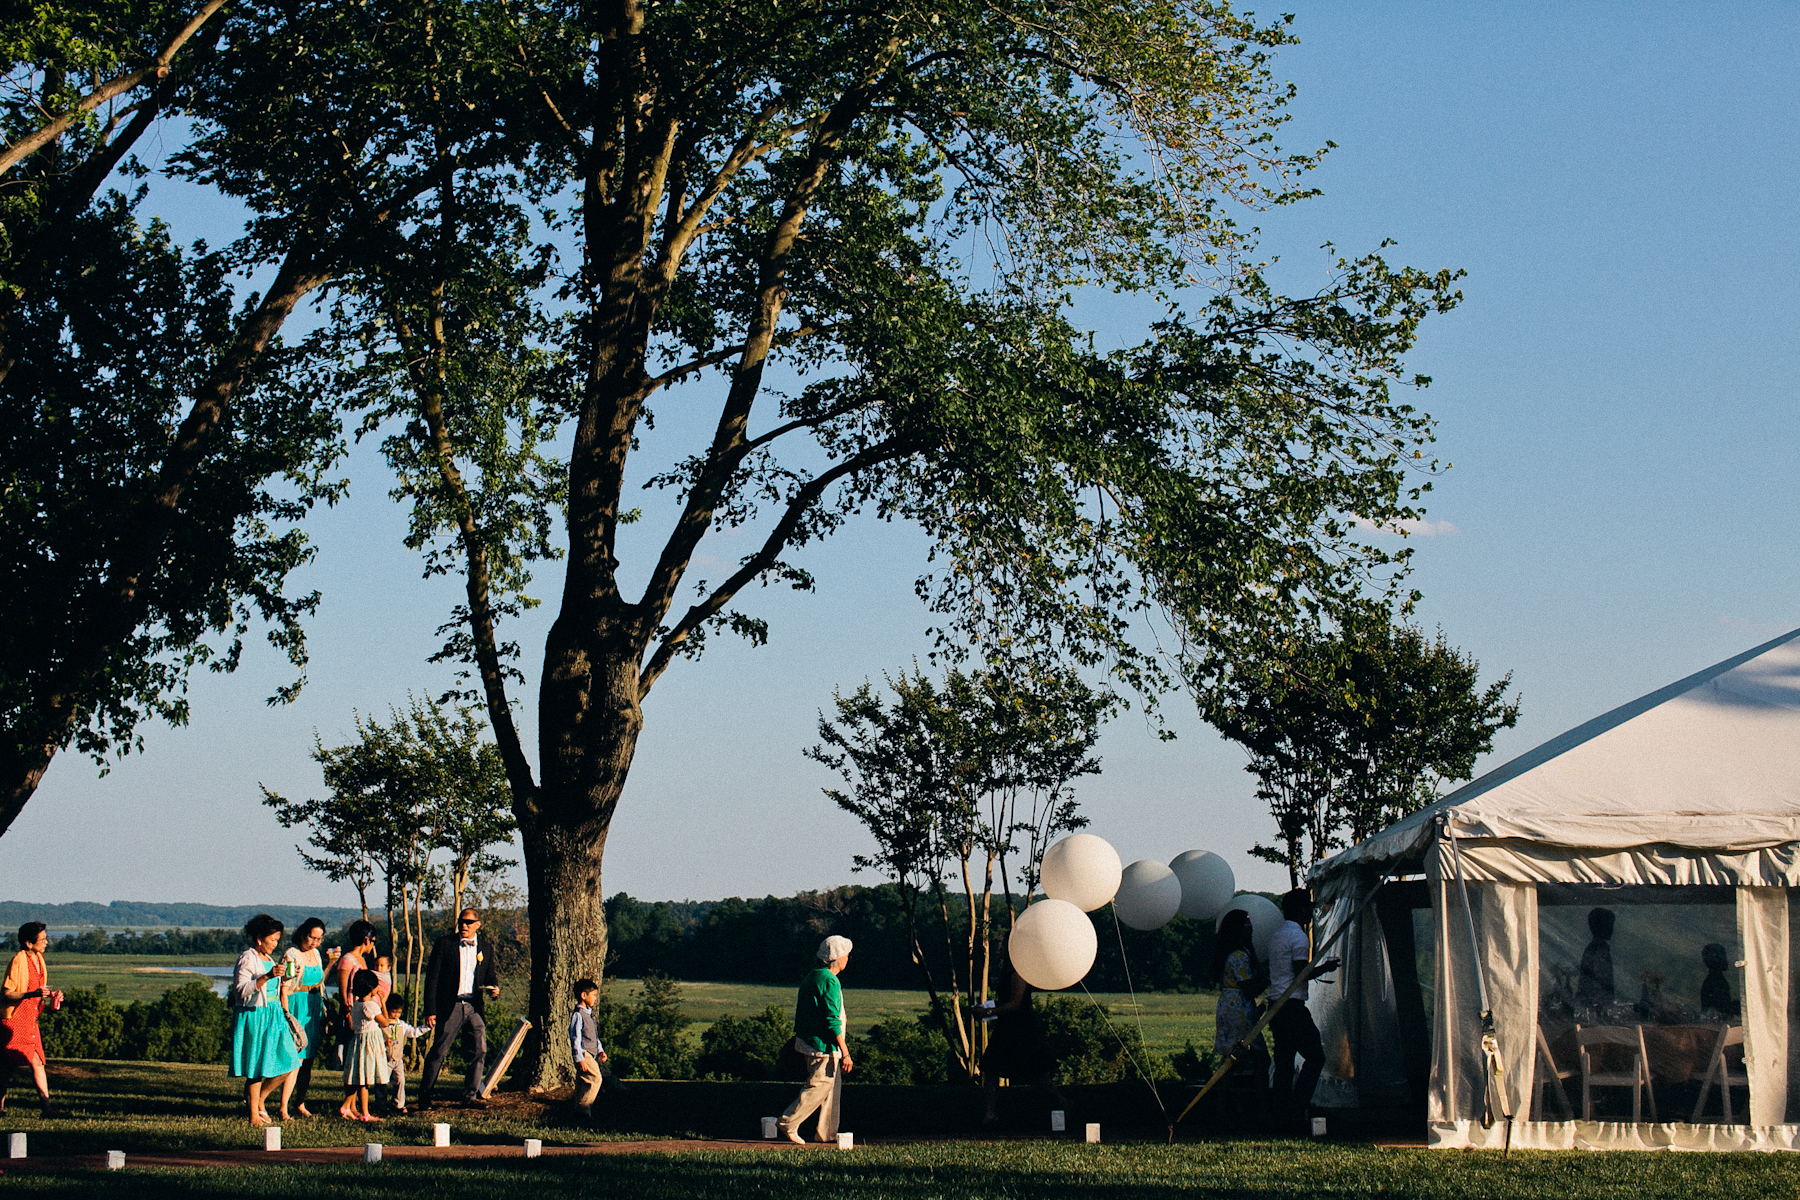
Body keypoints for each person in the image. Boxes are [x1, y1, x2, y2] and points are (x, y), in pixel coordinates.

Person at [1266, 889, 1338, 1128]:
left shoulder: (1277, 935)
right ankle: (1296, 1108)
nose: (1310, 912)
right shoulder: (1298, 938)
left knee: (1284, 1062)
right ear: (1299, 910)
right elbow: (1300, 973)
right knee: (1316, 1057)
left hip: (1276, 1006)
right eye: (1307, 907)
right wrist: (1325, 967)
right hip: (1292, 1006)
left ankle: (1279, 1113)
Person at [417, 908, 500, 1110]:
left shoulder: (486, 948)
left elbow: (489, 975)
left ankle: (469, 1096)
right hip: (450, 1006)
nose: (464, 925)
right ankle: (425, 1097)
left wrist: (494, 988)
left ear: (477, 925)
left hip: (473, 1006)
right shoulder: (445, 944)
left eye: (469, 922)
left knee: (479, 1050)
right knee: (439, 1051)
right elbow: (432, 979)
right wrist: (430, 1010)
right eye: (461, 921)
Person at [979, 942, 1067, 1126]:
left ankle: (1064, 1104)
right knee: (991, 1067)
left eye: (1003, 945)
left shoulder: (1018, 975)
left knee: (1035, 1073)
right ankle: (990, 1114)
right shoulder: (1007, 973)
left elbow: (1016, 1003)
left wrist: (990, 1013)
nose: (1000, 949)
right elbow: (1005, 1000)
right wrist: (986, 1008)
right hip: (1007, 1026)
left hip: (1019, 1029)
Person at [778, 935, 854, 1144]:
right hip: (822, 1045)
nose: (847, 959)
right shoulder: (830, 981)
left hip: (811, 1040)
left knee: (831, 1088)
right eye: (845, 955)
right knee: (820, 1085)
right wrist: (845, 1052)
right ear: (838, 958)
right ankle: (788, 1122)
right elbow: (832, 1020)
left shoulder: (814, 976)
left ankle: (826, 1133)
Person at [230, 913, 302, 1125]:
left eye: (277, 940)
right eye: (272, 940)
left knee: (289, 1061)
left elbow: (275, 986)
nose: (275, 944)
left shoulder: (269, 959)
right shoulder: (247, 958)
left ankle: (259, 1100)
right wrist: (267, 976)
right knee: (255, 1068)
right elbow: (241, 990)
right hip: (255, 1015)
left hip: (273, 1013)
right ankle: (253, 1115)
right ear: (259, 938)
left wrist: (288, 975)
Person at [1, 922, 68, 1117]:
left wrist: (52, 996)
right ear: (29, 943)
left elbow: (38, 991)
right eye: (43, 939)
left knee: (37, 1062)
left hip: (30, 1019)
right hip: (14, 1019)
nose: (47, 942)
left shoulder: (39, 959)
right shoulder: (18, 960)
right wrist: (32, 994)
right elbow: (7, 994)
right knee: (6, 1066)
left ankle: (46, 1109)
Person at [279, 917, 338, 1118]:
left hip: (313, 1005)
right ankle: (283, 1106)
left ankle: (300, 1102)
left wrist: (331, 964)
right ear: (303, 934)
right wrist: (286, 1012)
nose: (314, 943)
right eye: (312, 938)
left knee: (308, 1060)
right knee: (295, 1058)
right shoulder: (292, 954)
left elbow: (320, 980)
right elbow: (285, 985)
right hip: (297, 1002)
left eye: (319, 939)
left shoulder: (315, 954)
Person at [1212, 908, 1269, 1061]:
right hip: (1238, 1010)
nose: (1251, 929)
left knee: (1230, 1058)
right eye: (1247, 925)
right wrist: (1269, 980)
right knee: (1260, 1058)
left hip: (1229, 1006)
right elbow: (1249, 989)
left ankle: (1222, 1084)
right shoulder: (1239, 956)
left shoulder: (1233, 953)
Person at [340, 968, 392, 1121]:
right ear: (371, 988)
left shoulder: (356, 1004)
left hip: (358, 1042)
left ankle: (348, 1107)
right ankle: (365, 1113)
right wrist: (382, 1003)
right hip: (370, 1044)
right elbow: (385, 1022)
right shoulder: (371, 1006)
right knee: (365, 1080)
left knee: (360, 1079)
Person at [331, 920, 382, 1066]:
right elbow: (343, 991)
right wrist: (348, 1015)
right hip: (353, 1012)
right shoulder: (347, 960)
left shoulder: (362, 960)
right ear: (366, 940)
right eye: (373, 941)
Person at [380, 993, 430, 1114]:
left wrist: (427, 1027)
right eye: (393, 1012)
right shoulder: (381, 1024)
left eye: (398, 1012)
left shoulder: (401, 1024)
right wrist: (384, 1042)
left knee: (400, 1081)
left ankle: (398, 1104)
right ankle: (380, 1105)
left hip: (398, 1060)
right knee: (382, 1082)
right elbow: (377, 1039)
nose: (396, 1015)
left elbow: (413, 1032)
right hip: (384, 1059)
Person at [569, 978, 607, 1120]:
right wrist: (579, 1058)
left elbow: (593, 1037)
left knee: (583, 1084)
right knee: (596, 1078)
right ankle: (583, 1109)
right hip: (584, 1053)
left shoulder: (589, 1015)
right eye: (593, 995)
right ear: (584, 996)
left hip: (591, 1052)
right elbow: (575, 1038)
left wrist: (600, 1050)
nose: (595, 998)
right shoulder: (578, 1015)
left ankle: (579, 1112)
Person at [1576, 907, 1616, 1014]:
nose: (1611, 929)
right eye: (1609, 925)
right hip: (1597, 1008)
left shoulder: (1596, 948)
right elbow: (1598, 982)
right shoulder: (1598, 950)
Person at [1700, 943, 1740, 1019]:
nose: (1726, 960)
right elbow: (1720, 1010)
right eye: (1723, 956)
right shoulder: (1715, 982)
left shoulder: (1715, 980)